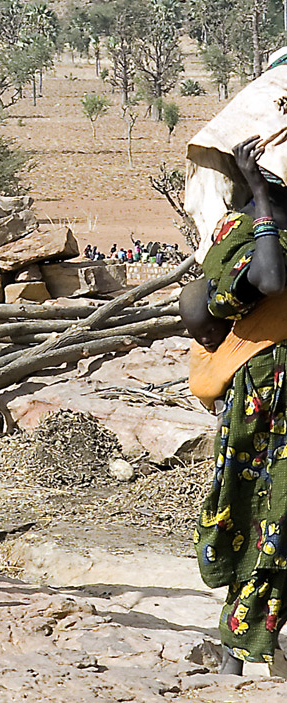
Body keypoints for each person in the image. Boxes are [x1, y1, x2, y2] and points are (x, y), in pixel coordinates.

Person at [191, 135, 287, 675]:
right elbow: (267, 281)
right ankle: (234, 653)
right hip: (267, 399)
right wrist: (262, 199)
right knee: (262, 514)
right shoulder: (242, 230)